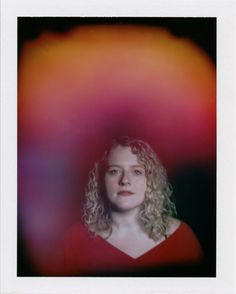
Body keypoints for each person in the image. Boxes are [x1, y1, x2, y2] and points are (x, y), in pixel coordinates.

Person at [61, 137, 203, 276]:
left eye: (137, 172)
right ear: (100, 181)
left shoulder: (181, 237)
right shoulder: (75, 242)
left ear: (151, 181)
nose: (125, 180)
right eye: (114, 171)